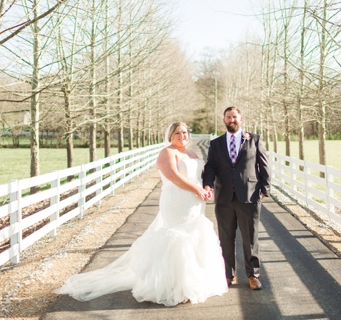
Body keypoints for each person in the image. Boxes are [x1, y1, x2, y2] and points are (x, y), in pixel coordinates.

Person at [56, 122, 227, 306]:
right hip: (177, 202)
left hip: (194, 203)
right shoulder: (166, 153)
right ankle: (172, 286)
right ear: (170, 136)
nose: (182, 135)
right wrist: (197, 189)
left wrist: (205, 189)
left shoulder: (192, 154)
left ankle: (192, 283)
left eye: (185, 132)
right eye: (177, 133)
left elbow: (201, 176)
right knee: (177, 238)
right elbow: (173, 177)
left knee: (194, 236)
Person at [202, 106, 271, 290]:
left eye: (234, 117)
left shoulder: (254, 139)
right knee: (226, 237)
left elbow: (264, 165)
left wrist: (265, 188)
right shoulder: (216, 144)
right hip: (224, 197)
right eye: (228, 117)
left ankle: (253, 275)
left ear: (240, 118)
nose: (231, 120)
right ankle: (228, 275)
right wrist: (207, 185)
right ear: (224, 120)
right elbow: (211, 167)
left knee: (250, 238)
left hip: (249, 196)